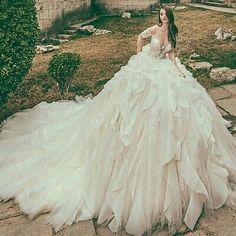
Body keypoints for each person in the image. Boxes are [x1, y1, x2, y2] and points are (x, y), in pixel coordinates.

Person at [0, 5, 236, 236]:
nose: (162, 17)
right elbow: (139, 38)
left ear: (170, 17)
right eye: (161, 14)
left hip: (164, 70)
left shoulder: (172, 32)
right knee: (136, 112)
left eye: (165, 14)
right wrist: (139, 59)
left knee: (175, 110)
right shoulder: (153, 30)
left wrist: (179, 71)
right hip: (146, 68)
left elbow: (171, 55)